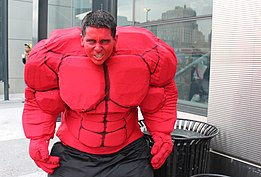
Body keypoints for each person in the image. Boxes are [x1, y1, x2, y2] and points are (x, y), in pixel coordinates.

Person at [22, 10, 178, 177]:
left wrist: (162, 134)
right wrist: (38, 139)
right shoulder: (54, 58)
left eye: (105, 41)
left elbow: (159, 98)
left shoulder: (145, 57)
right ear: (81, 40)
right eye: (91, 41)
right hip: (75, 154)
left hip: (128, 154)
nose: (98, 48)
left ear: (115, 40)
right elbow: (42, 101)